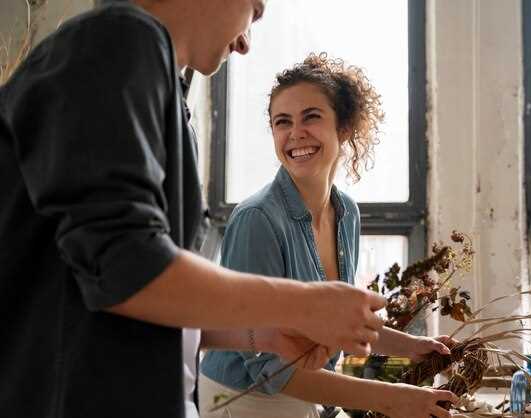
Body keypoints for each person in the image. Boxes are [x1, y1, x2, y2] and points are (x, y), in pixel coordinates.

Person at [0, 2, 388, 417]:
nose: (244, 43)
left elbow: (130, 300)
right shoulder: (120, 41)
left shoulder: (165, 92)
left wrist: (263, 336)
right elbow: (123, 266)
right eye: (254, 11)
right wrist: (304, 304)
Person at [198, 53, 458, 418]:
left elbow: (339, 322)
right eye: (281, 122)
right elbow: (270, 369)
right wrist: (391, 398)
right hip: (244, 400)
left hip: (305, 389)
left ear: (344, 127)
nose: (295, 133)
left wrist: (411, 346)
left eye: (311, 117)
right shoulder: (256, 220)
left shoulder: (346, 212)